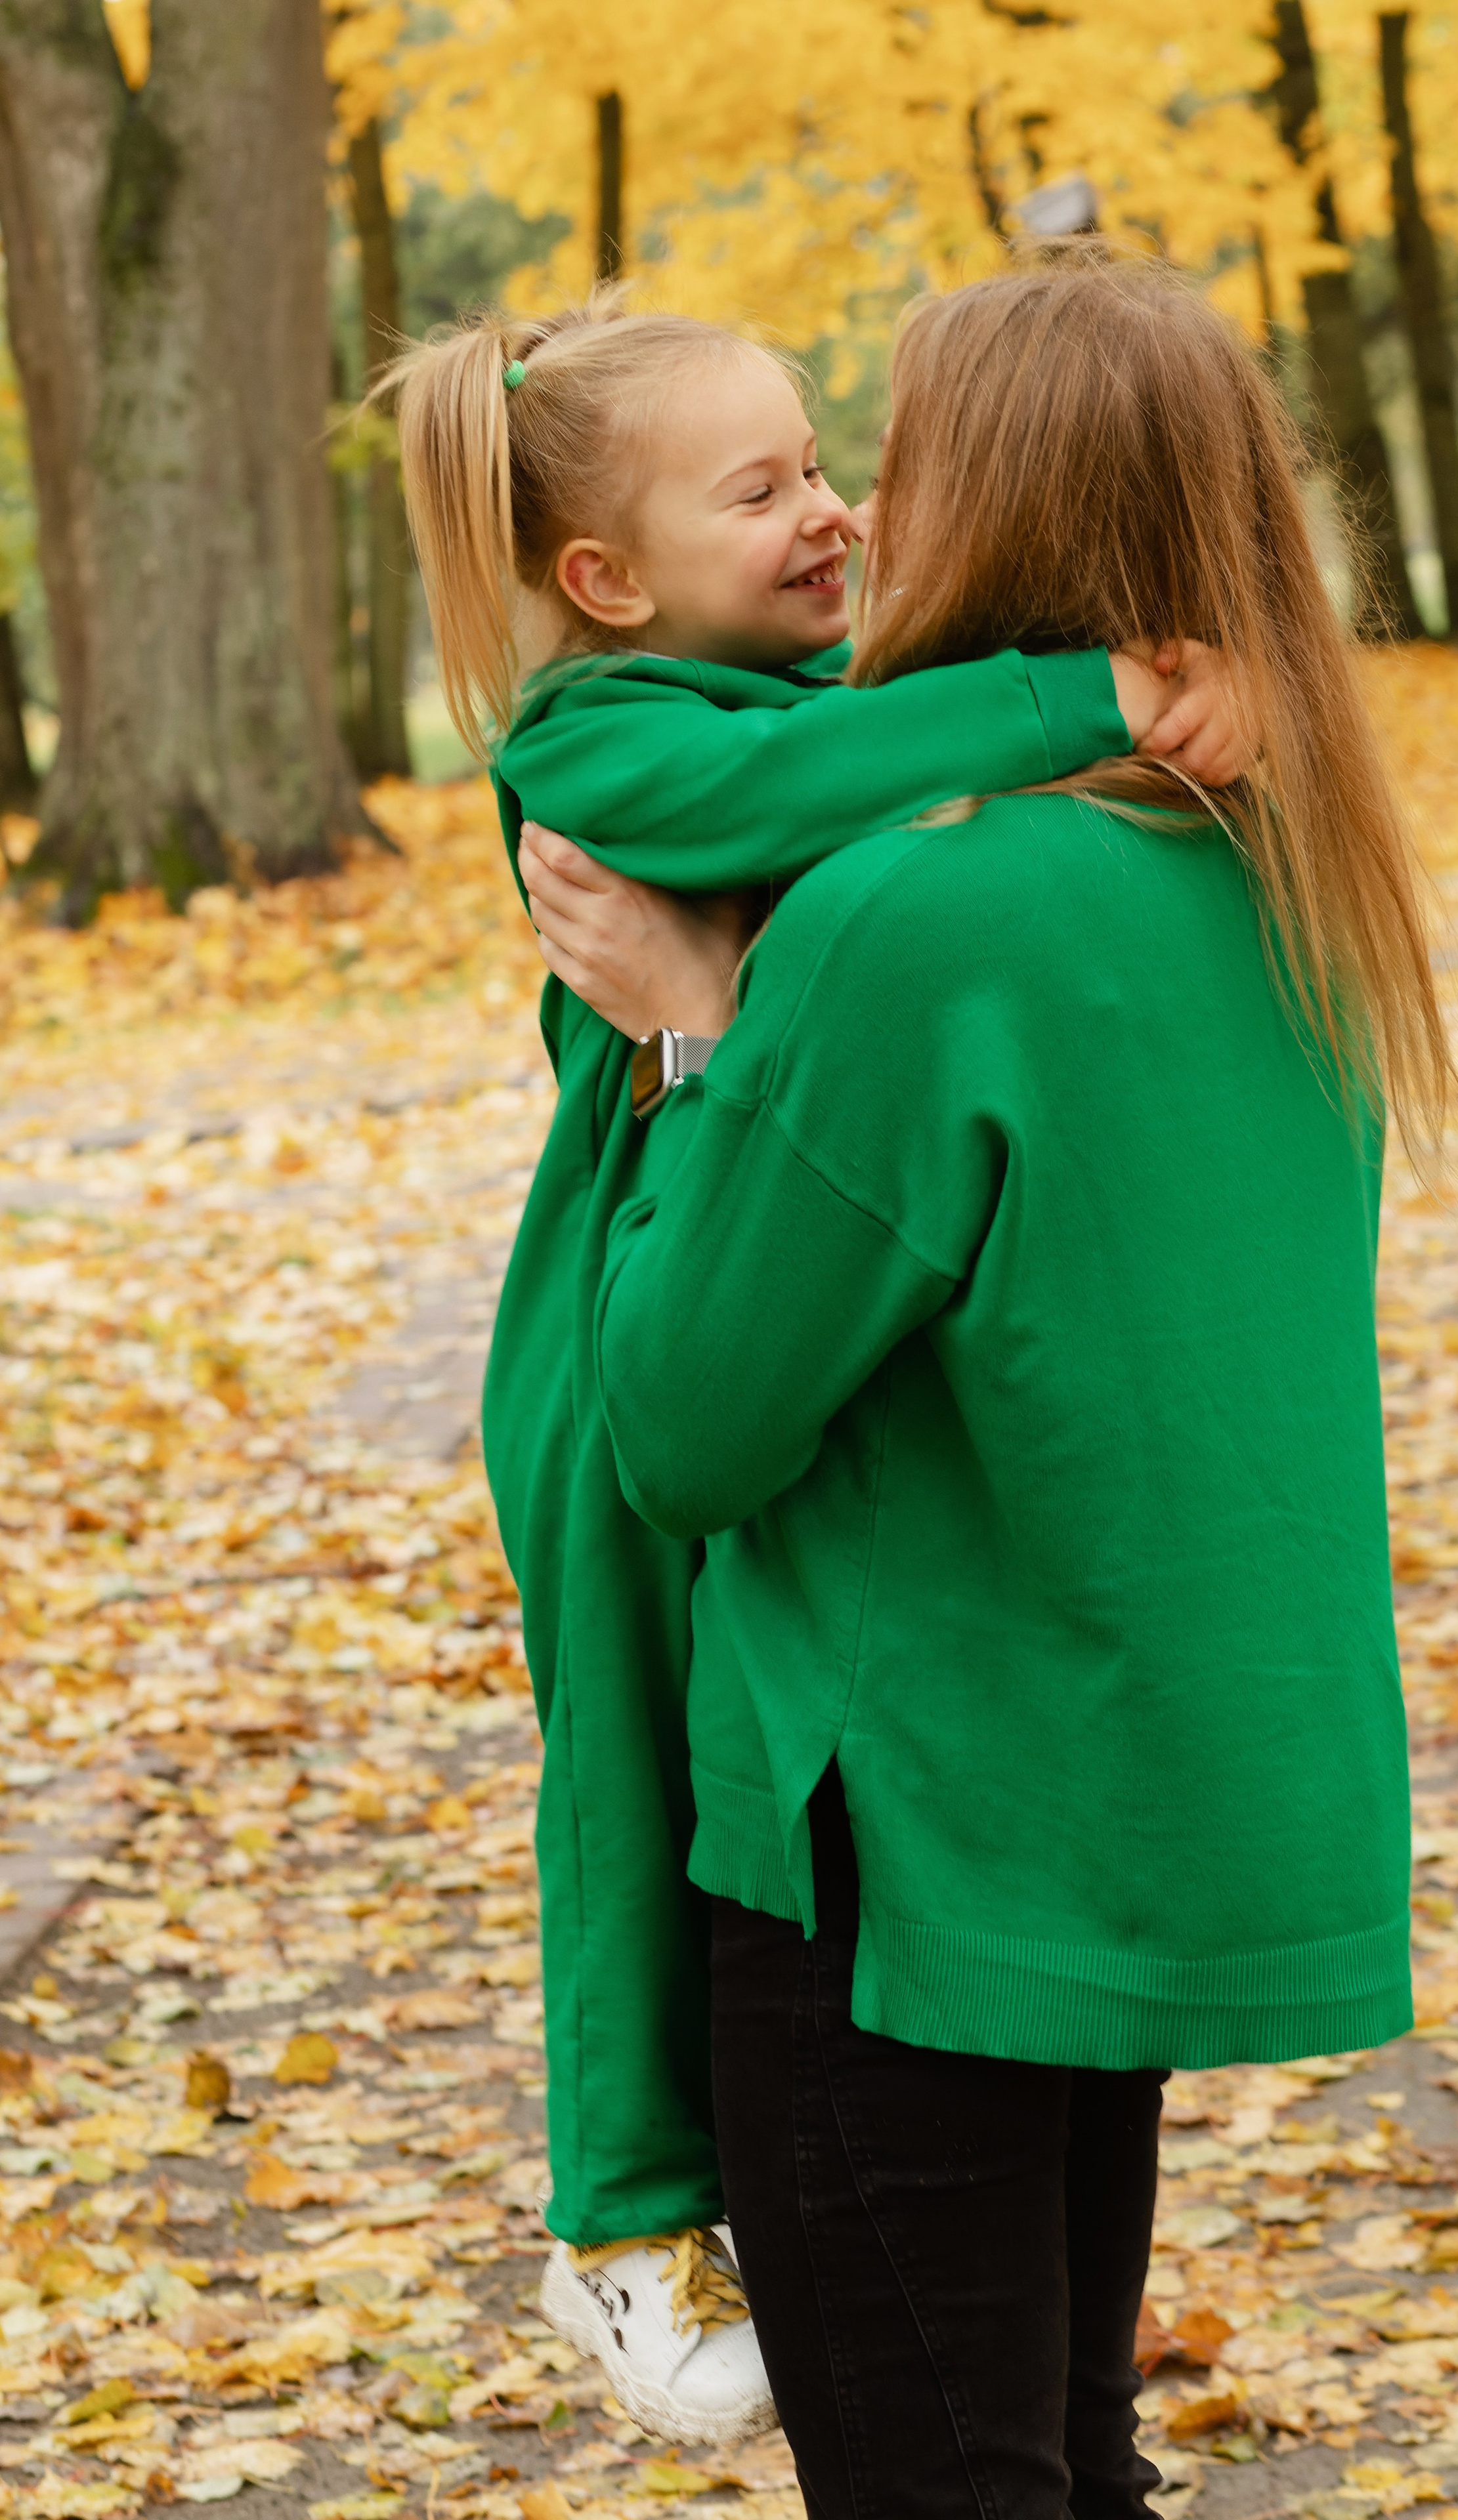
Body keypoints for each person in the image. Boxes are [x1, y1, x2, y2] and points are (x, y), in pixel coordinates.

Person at [562, 255, 1451, 2515]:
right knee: (1051, 2452)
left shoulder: (913, 924)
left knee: (953, 2480)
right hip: (1125, 1813)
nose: (856, 511)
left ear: (990, 503)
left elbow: (681, 1423)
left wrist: (692, 1035)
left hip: (910, 1852)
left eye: (892, 450)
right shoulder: (1289, 870)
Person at [387, 296, 1250, 2444]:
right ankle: (627, 2216)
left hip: (738, 1276)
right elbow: (800, 791)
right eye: (758, 486)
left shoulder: (819, 697)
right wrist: (1091, 692)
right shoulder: (593, 737)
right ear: (605, 578)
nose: (831, 509)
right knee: (627, 1779)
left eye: (821, 459)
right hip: (621, 1338)